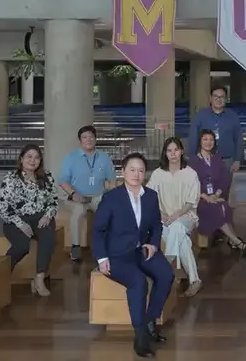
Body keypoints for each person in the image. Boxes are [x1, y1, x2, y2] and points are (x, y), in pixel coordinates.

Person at [93, 153, 176, 358]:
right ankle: (140, 337)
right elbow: (98, 230)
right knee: (139, 282)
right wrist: (102, 258)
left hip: (142, 251)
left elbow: (156, 225)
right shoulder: (112, 197)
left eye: (140, 170)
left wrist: (153, 244)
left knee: (166, 274)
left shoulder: (151, 196)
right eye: (132, 169)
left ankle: (150, 321)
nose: (136, 174)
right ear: (123, 171)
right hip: (117, 255)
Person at [0, 144, 59, 297]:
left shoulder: (46, 176)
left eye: (37, 157)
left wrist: (47, 215)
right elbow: (4, 206)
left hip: (40, 218)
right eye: (29, 156)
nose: (33, 160)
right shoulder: (11, 178)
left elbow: (54, 201)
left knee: (48, 236)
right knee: (21, 246)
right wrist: (20, 224)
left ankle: (39, 278)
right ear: (21, 159)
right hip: (15, 219)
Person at [146, 137, 203, 297]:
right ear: (165, 153)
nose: (173, 154)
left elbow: (191, 202)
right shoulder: (158, 174)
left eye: (176, 150)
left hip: (186, 216)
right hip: (163, 219)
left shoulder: (190, 173)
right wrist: (162, 214)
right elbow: (149, 198)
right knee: (182, 239)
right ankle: (194, 280)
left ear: (181, 151)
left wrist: (176, 215)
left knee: (177, 226)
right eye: (169, 151)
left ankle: (166, 269)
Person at [57, 125, 117, 262]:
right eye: (84, 137)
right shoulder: (71, 158)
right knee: (77, 214)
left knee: (109, 213)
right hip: (77, 197)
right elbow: (62, 180)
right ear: (80, 141)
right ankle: (75, 247)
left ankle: (108, 246)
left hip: (98, 196)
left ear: (95, 139)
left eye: (91, 137)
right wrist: (73, 193)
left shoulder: (104, 158)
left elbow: (112, 180)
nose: (88, 140)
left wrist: (111, 195)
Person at [191, 129, 246, 256]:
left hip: (215, 195)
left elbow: (224, 178)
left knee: (225, 206)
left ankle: (232, 240)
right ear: (200, 142)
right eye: (205, 139)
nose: (208, 142)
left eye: (211, 139)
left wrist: (216, 194)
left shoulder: (217, 159)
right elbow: (191, 184)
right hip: (200, 197)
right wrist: (206, 197)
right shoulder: (193, 161)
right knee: (214, 208)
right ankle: (237, 241)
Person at [188, 85, 243, 208]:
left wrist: (238, 159)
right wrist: (193, 157)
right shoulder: (201, 116)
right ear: (210, 98)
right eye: (216, 96)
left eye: (222, 97)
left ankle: (222, 214)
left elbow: (239, 138)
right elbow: (193, 136)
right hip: (205, 160)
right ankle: (206, 215)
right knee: (204, 189)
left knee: (224, 190)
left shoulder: (232, 116)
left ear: (226, 99)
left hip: (227, 160)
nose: (219, 99)